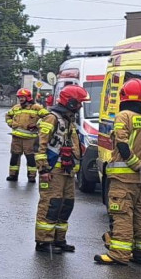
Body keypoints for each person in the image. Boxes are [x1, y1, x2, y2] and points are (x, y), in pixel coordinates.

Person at [94, 79, 141, 266]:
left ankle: (119, 254)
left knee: (122, 215)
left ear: (123, 97)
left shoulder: (124, 116)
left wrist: (136, 165)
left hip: (124, 179)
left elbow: (121, 143)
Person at [34, 85, 89, 253]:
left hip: (67, 171)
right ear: (70, 102)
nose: (80, 106)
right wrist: (43, 170)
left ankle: (59, 239)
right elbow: (40, 145)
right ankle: (44, 241)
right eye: (79, 103)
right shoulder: (52, 118)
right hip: (53, 171)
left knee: (66, 205)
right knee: (51, 204)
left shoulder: (68, 119)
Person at [5, 88, 48, 182]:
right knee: (14, 157)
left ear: (28, 97)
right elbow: (8, 116)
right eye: (19, 97)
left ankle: (31, 176)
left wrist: (37, 125)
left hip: (30, 139)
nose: (20, 99)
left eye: (22, 97)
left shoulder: (36, 108)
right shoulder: (16, 108)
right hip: (16, 138)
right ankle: (13, 175)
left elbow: (47, 117)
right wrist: (11, 124)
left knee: (31, 158)